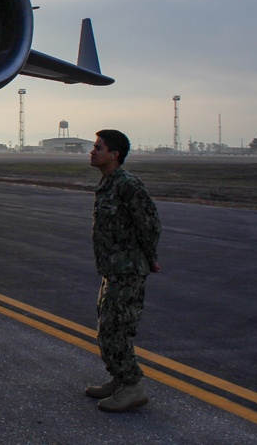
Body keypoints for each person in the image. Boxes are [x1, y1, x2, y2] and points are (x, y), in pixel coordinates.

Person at [85, 129, 162, 412]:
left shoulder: (127, 185)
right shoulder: (108, 183)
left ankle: (132, 386)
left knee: (114, 329)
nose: (92, 152)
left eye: (98, 147)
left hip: (128, 270)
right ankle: (119, 378)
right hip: (113, 269)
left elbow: (150, 224)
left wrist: (150, 258)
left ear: (114, 154)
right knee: (107, 327)